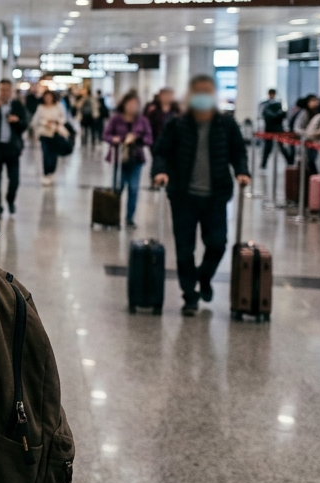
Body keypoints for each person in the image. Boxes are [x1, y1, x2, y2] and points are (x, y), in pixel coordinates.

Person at [151, 75, 251, 316]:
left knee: (217, 244)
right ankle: (189, 295)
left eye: (207, 92)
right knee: (184, 249)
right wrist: (161, 171)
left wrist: (242, 172)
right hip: (182, 196)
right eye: (199, 92)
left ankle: (204, 277)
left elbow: (238, 152)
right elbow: (161, 152)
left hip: (216, 196)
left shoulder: (226, 124)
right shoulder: (177, 124)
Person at [103, 93, 153, 228]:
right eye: (130, 104)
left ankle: (130, 217)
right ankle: (113, 216)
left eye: (135, 104)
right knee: (117, 187)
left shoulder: (142, 120)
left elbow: (149, 138)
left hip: (136, 159)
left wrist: (137, 138)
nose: (132, 107)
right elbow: (106, 134)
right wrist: (115, 139)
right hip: (119, 157)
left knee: (133, 188)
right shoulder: (116, 119)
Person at [0, 78, 29, 217]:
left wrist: (17, 121)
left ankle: (10, 200)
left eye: (7, 90)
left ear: (11, 91)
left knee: (14, 179)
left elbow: (25, 124)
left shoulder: (17, 106)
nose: (4, 92)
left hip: (12, 148)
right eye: (2, 90)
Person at [33, 89, 70, 185]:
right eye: (46, 97)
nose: (48, 99)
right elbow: (36, 120)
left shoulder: (58, 106)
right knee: (46, 154)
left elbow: (64, 117)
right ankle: (46, 173)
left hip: (55, 133)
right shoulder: (41, 107)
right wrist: (45, 122)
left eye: (49, 97)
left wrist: (56, 122)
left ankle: (52, 172)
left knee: (53, 154)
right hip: (44, 134)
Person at [260, 88, 288, 167]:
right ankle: (263, 164)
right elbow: (264, 115)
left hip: (277, 127)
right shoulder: (265, 104)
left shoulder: (279, 103)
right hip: (269, 128)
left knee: (281, 147)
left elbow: (282, 115)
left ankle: (289, 162)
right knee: (267, 148)